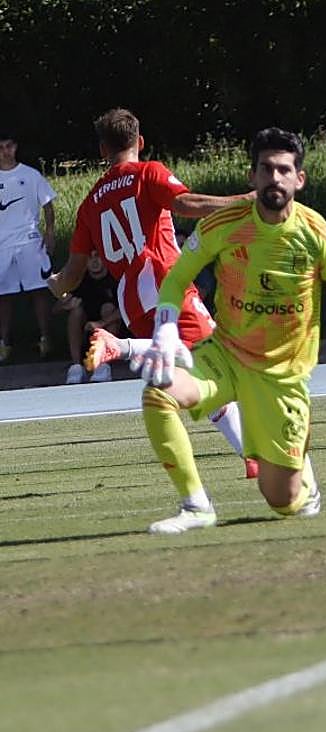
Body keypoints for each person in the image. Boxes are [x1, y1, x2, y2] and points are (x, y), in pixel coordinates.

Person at [131, 126, 326, 534]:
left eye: (284, 170)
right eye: (266, 169)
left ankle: (304, 486)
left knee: (282, 502)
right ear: (252, 177)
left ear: (299, 179)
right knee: (159, 393)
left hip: (282, 377)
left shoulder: (321, 236)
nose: (275, 178)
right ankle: (196, 506)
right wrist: (165, 331)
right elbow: (177, 278)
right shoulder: (222, 225)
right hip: (225, 356)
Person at [47, 108, 257, 476]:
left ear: (102, 151)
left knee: (194, 369)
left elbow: (73, 272)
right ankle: (118, 347)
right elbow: (185, 204)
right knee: (221, 361)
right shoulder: (148, 173)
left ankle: (251, 457)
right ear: (139, 142)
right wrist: (245, 201)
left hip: (131, 300)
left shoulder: (90, 203)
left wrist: (56, 285)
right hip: (165, 283)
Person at [0, 128, 56, 362]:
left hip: (29, 241)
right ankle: (4, 343)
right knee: (4, 295)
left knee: (38, 290)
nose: (6, 152)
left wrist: (50, 231)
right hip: (2, 245)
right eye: (1, 148)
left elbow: (48, 205)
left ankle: (45, 338)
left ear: (16, 147)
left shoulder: (31, 175)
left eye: (9, 146)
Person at [59, 251, 122, 384]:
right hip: (86, 331)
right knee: (76, 312)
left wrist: (100, 323)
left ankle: (103, 365)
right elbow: (55, 310)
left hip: (113, 332)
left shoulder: (116, 278)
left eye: (98, 256)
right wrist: (64, 304)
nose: (94, 261)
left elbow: (125, 310)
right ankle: (76, 367)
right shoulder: (79, 279)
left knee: (108, 309)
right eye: (89, 257)